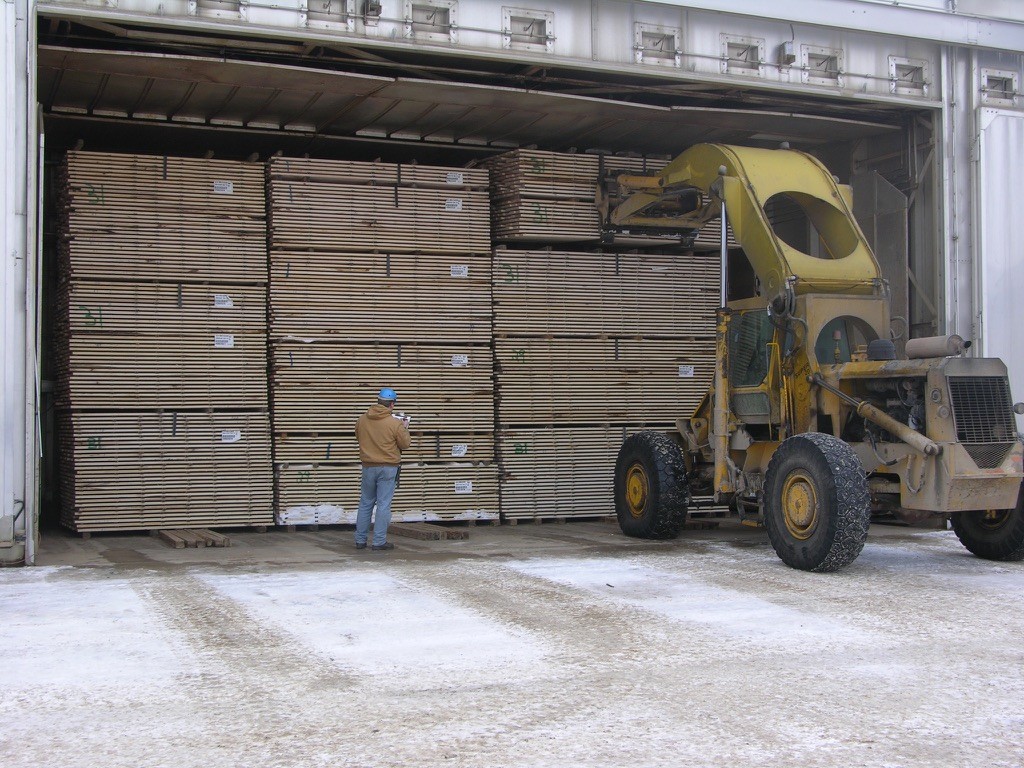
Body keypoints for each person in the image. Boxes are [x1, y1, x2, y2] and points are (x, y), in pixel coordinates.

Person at [354, 387, 411, 551]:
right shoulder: (395, 424)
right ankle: (379, 542)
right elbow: (405, 444)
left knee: (365, 503)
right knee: (383, 504)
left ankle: (360, 540)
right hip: (388, 467)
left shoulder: (362, 420)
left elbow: (358, 436)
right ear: (392, 405)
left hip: (368, 466)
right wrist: (404, 428)